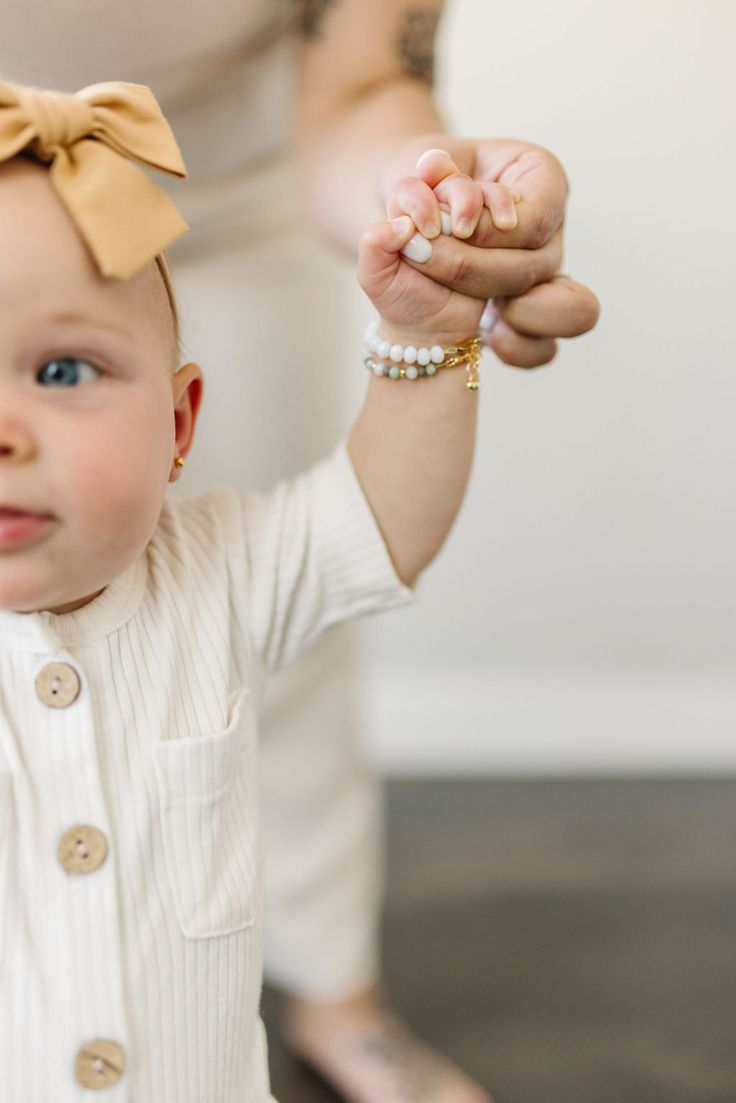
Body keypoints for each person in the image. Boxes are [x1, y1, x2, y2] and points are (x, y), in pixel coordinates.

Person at [1, 6, 599, 1102]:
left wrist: (434, 297)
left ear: (181, 426)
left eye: (64, 373)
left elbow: (379, 513)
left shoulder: (223, 575)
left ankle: (340, 993)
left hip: (242, 180)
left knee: (305, 665)